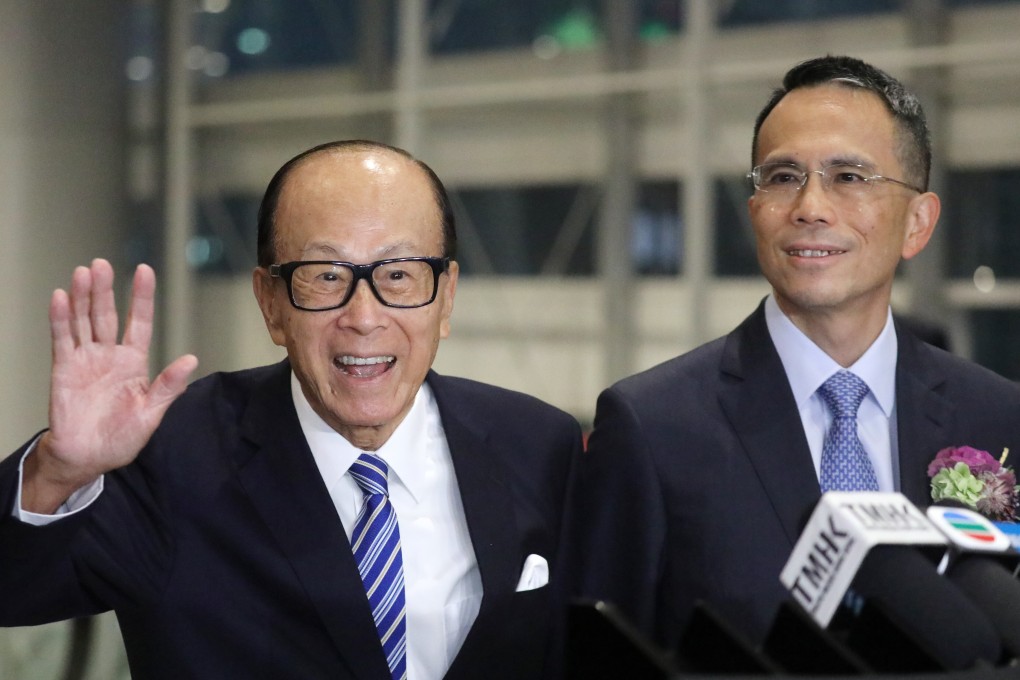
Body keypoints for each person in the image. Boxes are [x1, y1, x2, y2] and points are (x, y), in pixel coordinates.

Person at [0, 140, 582, 679]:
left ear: (446, 295)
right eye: (325, 276)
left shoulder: (537, 444)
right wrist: (59, 469)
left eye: (399, 275)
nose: (363, 316)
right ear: (270, 302)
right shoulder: (171, 454)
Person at [566, 55, 1020, 649]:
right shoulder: (652, 428)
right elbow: (601, 656)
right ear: (755, 211)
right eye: (782, 177)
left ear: (917, 222)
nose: (810, 206)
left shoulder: (996, 415)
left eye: (849, 177)